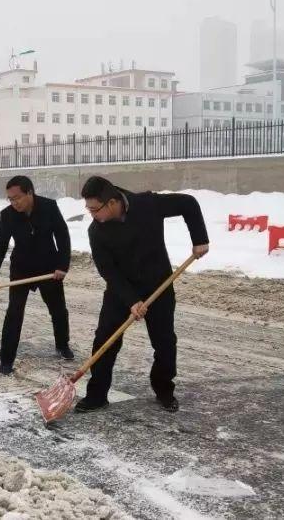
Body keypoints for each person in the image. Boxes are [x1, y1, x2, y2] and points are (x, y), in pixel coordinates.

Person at [76, 176, 209, 414]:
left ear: (112, 202)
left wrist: (200, 239)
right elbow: (108, 270)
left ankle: (164, 390)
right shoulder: (97, 231)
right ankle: (97, 395)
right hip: (121, 290)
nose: (92, 215)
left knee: (165, 342)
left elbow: (188, 203)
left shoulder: (147, 204)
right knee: (105, 341)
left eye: (95, 209)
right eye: (89, 209)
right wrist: (131, 300)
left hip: (158, 284)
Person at [0, 175, 72, 376]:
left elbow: (63, 236)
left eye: (17, 198)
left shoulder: (49, 207)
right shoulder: (7, 215)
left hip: (49, 268)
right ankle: (6, 359)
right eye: (10, 199)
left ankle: (62, 344)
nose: (14, 203)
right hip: (21, 268)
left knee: (58, 309)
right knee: (14, 312)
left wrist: (62, 265)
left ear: (30, 192)